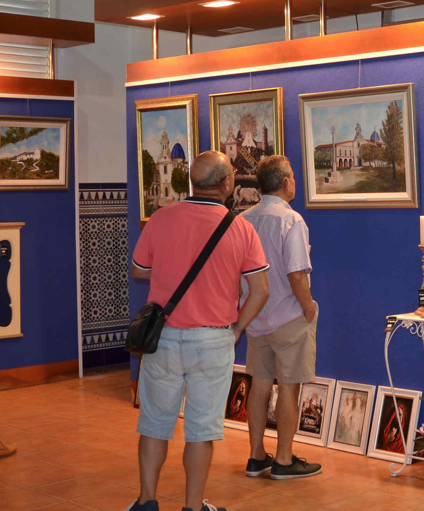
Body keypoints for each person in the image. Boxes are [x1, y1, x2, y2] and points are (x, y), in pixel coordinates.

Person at [128, 150, 271, 511]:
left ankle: (147, 501)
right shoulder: (240, 227)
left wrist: (170, 270)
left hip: (163, 338)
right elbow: (261, 290)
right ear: (227, 183)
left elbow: (140, 270)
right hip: (213, 340)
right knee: (201, 430)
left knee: (154, 425)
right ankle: (193, 507)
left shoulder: (160, 218)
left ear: (192, 182)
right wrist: (237, 328)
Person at [239, 155, 322, 480]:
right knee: (289, 387)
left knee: (259, 385)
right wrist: (309, 307)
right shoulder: (291, 221)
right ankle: (284, 460)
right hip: (288, 315)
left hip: (255, 318)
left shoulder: (242, 219)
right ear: (286, 181)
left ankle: (257, 456)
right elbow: (296, 273)